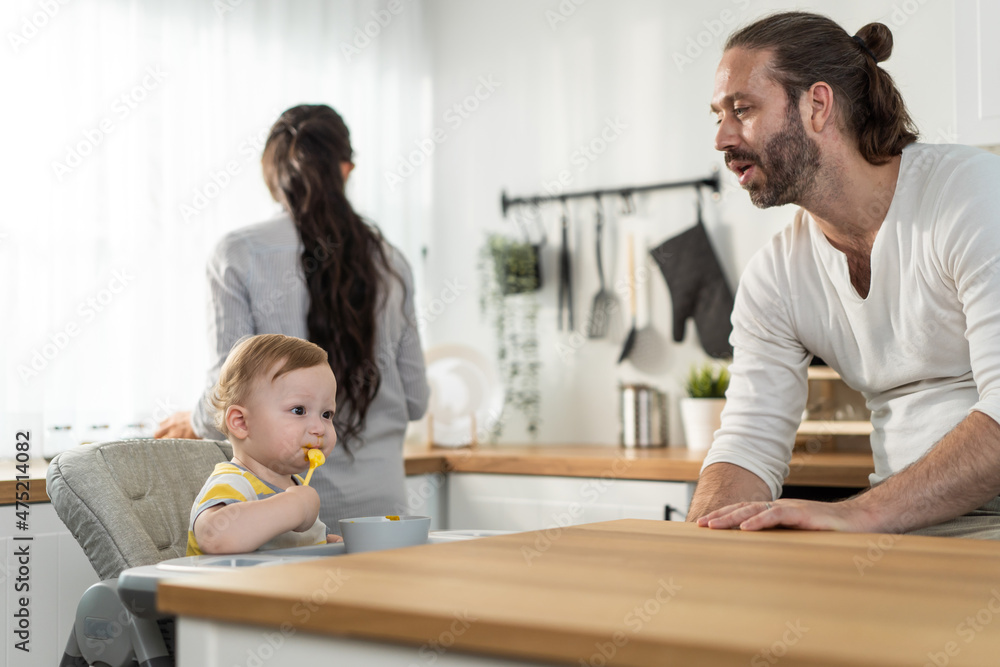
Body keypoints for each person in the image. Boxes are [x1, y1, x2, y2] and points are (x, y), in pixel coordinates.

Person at [689, 11, 1000, 538]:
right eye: (718, 115)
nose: (722, 137)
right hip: (904, 536)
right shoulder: (776, 276)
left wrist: (859, 512)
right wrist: (704, 539)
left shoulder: (970, 195)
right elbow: (747, 442)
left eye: (742, 110)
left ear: (817, 104)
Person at [157, 104, 429, 531]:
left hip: (291, 530)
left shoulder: (239, 253)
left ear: (273, 176)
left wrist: (191, 420)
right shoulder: (392, 261)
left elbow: (224, 401)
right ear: (345, 169)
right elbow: (416, 401)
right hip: (391, 521)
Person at [187, 334, 340, 555]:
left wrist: (327, 545)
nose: (319, 428)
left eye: (327, 414)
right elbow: (214, 537)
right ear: (241, 422)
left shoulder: (294, 488)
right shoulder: (235, 483)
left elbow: (287, 548)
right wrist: (295, 507)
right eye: (299, 410)